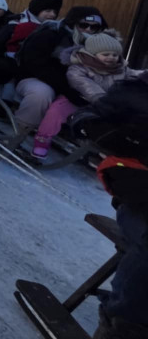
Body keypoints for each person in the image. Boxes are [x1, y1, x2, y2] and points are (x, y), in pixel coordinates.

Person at [70, 72, 148, 338]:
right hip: (140, 201)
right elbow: (84, 118)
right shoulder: (136, 92)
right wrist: (115, 138)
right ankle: (120, 326)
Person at [27, 32, 140, 158]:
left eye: (115, 55)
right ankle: (43, 138)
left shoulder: (121, 69)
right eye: (106, 54)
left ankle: (110, 146)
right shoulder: (79, 68)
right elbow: (83, 84)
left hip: (102, 105)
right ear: (92, 54)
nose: (111, 58)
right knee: (56, 111)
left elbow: (136, 75)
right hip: (77, 100)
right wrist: (101, 98)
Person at [12, 6, 107, 142]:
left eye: (94, 27)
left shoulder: (98, 44)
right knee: (41, 94)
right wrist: (65, 88)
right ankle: (20, 131)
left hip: (73, 84)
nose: (88, 30)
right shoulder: (51, 34)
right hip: (37, 78)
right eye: (83, 25)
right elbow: (34, 63)